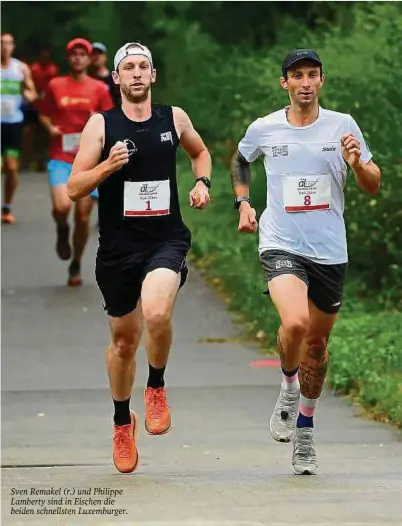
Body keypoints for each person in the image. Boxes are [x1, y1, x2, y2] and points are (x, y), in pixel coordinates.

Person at [230, 49, 381, 475]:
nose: (305, 82)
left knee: (317, 345)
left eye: (312, 74)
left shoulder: (342, 126)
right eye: (297, 75)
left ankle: (307, 429)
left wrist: (357, 163)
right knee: (294, 323)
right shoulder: (265, 128)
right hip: (280, 242)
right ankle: (288, 385)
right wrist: (243, 203)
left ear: (322, 80)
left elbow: (373, 183)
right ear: (285, 83)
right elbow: (241, 158)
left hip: (329, 249)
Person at [67, 42, 212, 474]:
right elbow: (76, 187)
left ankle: (157, 386)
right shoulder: (100, 126)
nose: (135, 73)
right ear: (115, 78)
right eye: (127, 67)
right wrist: (108, 167)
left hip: (165, 239)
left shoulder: (174, 118)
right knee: (124, 341)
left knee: (157, 310)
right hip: (117, 250)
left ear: (152, 76)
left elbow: (199, 152)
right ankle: (120, 421)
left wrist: (202, 181)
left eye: (142, 67)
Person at [39, 38, 113, 286]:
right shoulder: (56, 85)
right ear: (68, 58)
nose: (78, 58)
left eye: (83, 54)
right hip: (60, 156)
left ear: (89, 58)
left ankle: (76, 263)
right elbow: (44, 114)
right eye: (74, 54)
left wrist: (98, 123)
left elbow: (110, 120)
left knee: (82, 217)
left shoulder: (99, 89)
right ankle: (61, 228)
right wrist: (51, 128)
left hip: (88, 160)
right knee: (62, 207)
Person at [1, 32, 37, 224]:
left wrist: (26, 90)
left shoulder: (21, 68)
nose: (5, 47)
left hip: (13, 123)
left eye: (8, 43)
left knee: (11, 166)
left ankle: (6, 207)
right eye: (1, 43)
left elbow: (32, 94)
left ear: (13, 46)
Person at [23, 46, 59, 171]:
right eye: (42, 56)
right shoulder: (34, 69)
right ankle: (27, 159)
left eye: (47, 56)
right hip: (34, 104)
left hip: (47, 105)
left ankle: (43, 159)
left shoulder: (53, 69)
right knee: (29, 132)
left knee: (46, 133)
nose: (45, 58)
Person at [89, 42, 120, 106]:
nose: (96, 56)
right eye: (93, 54)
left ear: (105, 57)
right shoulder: (87, 79)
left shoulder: (115, 78)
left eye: (99, 53)